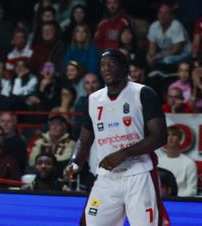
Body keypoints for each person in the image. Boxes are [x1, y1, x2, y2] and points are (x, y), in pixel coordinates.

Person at [65, 50, 167, 225]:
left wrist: (123, 154)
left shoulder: (143, 93)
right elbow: (85, 139)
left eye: (111, 64)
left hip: (139, 174)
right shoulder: (93, 100)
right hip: (106, 177)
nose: (106, 68)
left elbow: (159, 137)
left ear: (125, 68)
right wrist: (74, 162)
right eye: (103, 65)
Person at [157, 127, 197, 198]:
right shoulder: (158, 161)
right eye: (167, 135)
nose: (170, 138)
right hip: (161, 200)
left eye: (174, 135)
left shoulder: (189, 163)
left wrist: (176, 198)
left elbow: (192, 189)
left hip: (181, 202)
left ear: (180, 139)